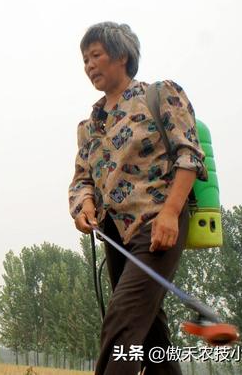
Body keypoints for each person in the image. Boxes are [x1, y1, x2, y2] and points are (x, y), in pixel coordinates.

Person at [68, 22, 207, 375]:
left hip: (157, 223)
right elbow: (82, 178)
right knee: (150, 338)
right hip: (113, 233)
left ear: (122, 55)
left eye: (95, 55)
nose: (89, 65)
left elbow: (188, 155)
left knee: (122, 322)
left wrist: (170, 214)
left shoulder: (160, 95)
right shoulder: (88, 126)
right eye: (85, 59)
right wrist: (83, 207)